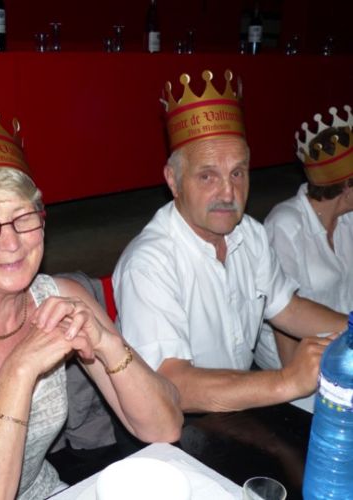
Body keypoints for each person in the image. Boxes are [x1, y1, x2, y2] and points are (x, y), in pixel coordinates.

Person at [0, 108, 183, 500]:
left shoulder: (63, 299)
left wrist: (109, 344)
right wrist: (19, 370)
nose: (12, 243)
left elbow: (164, 428)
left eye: (23, 218)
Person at [112, 70, 348, 415]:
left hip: (238, 406)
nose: (228, 193)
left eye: (237, 173)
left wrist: (350, 327)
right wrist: (286, 380)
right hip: (180, 425)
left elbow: (288, 308)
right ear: (173, 180)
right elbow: (170, 383)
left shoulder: (249, 234)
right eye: (207, 176)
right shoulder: (149, 264)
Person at [260, 105, 353, 370]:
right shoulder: (285, 226)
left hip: (344, 342)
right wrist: (293, 379)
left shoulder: (348, 218)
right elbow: (282, 314)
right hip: (301, 358)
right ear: (347, 187)